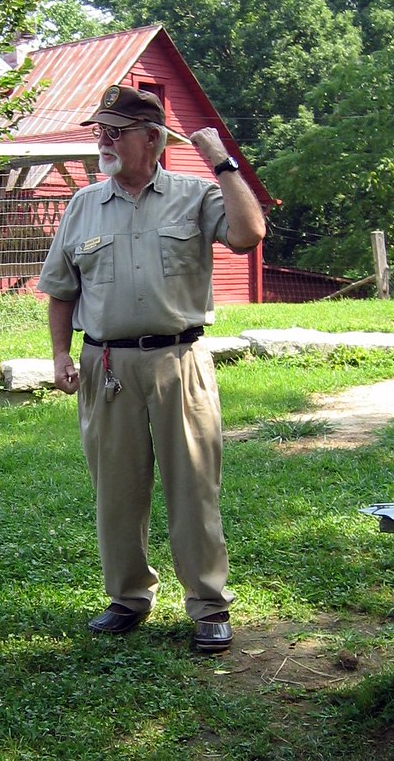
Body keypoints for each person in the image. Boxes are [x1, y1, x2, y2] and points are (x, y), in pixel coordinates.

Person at [37, 84, 266, 652]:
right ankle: (128, 597)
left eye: (117, 132)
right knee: (114, 489)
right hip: (106, 363)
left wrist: (223, 162)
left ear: (153, 139)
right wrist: (62, 354)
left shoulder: (195, 194)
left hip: (179, 360)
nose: (105, 141)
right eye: (101, 131)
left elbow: (248, 234)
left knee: (193, 487)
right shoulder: (83, 204)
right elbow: (61, 289)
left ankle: (209, 604)